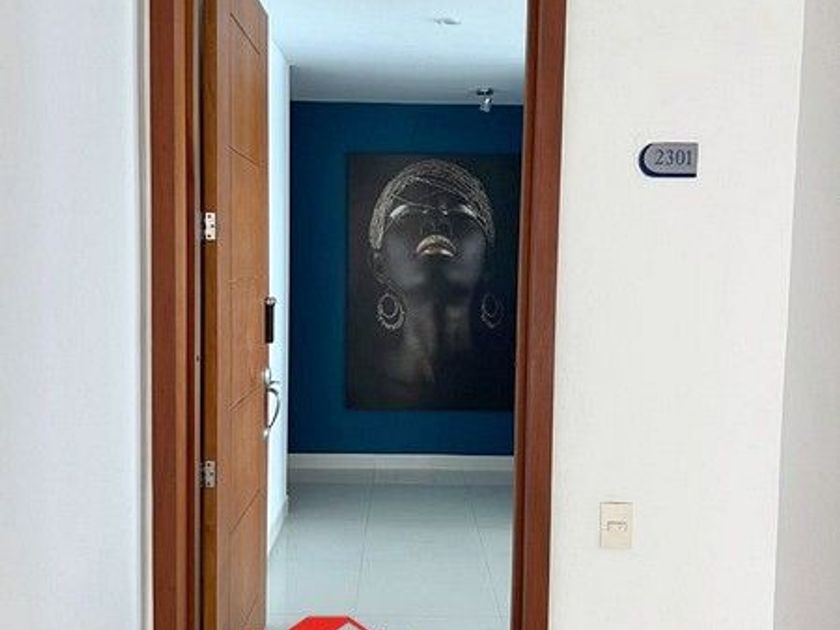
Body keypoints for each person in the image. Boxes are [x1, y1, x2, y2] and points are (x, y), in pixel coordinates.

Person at [363, 159, 507, 408]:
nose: (436, 225)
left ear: (489, 260)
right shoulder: (362, 387)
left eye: (460, 215)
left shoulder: (507, 387)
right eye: (408, 215)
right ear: (379, 264)